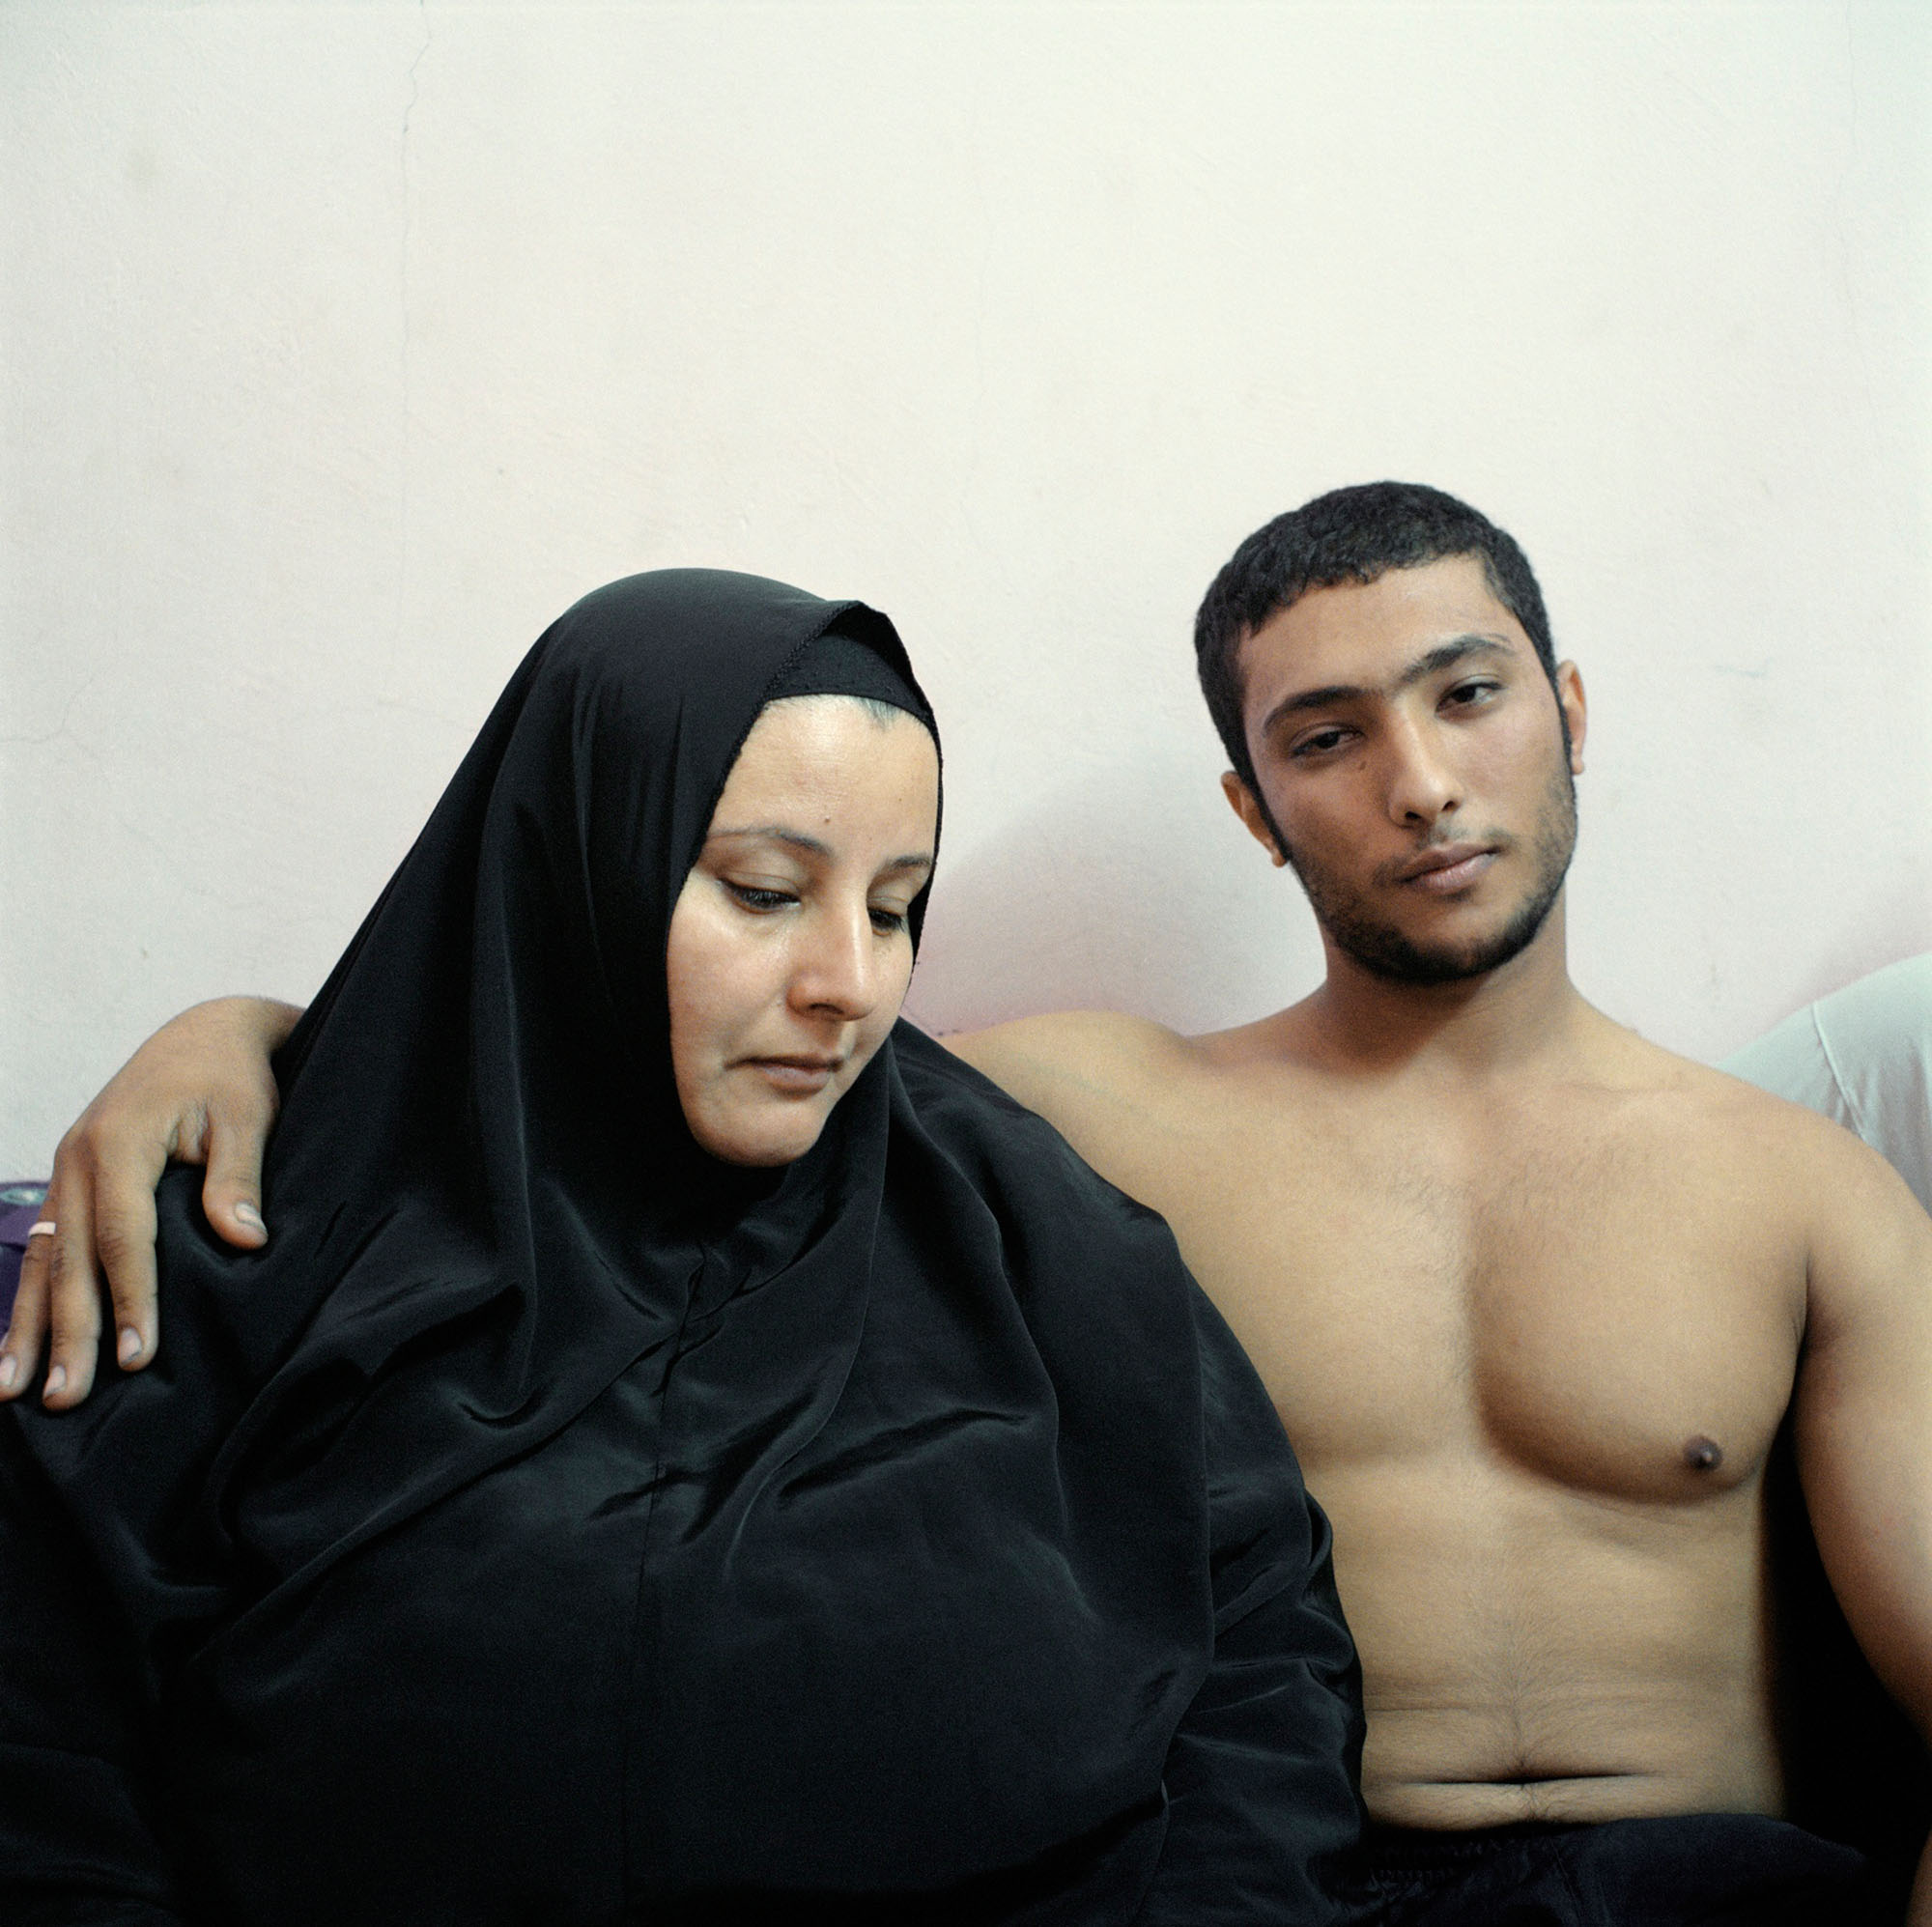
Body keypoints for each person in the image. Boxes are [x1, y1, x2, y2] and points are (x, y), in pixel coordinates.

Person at [16, 485, 1932, 1921]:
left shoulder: (1800, 1193)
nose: (1422, 784)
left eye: (1469, 694)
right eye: (1327, 734)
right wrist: (243, 1042)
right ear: (1251, 806)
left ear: (1569, 708)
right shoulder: (1087, 1115)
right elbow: (544, 1020)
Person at [0, 570, 1365, 1924]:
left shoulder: (1022, 1227)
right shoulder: (245, 1231)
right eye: (766, 892)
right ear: (577, 863)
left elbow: (1261, 1650)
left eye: (894, 908)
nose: (848, 986)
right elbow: (44, 1752)